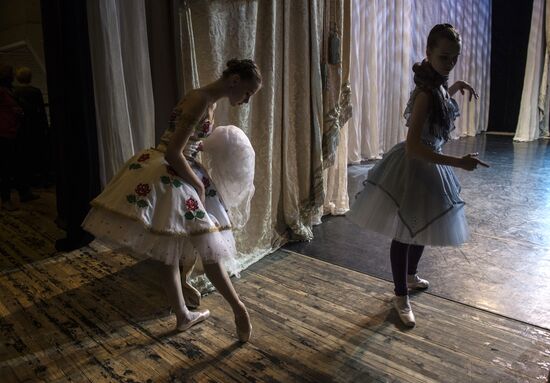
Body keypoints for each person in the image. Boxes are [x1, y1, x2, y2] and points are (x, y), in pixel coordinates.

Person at [82, 59, 262, 341]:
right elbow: (173, 153)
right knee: (208, 245)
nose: (246, 100)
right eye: (248, 92)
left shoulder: (204, 99)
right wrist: (198, 186)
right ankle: (239, 310)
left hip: (177, 168)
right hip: (172, 171)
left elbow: (184, 140)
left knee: (171, 247)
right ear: (235, 80)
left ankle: (182, 314)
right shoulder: (201, 100)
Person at [347, 24, 489, 327]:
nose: (449, 64)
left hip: (430, 164)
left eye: (454, 58)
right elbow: (414, 147)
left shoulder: (436, 84)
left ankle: (410, 277)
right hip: (416, 164)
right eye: (444, 58)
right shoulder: (426, 92)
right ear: (428, 53)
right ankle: (400, 295)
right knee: (405, 233)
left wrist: (453, 87)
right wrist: (458, 162)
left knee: (423, 225)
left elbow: (438, 109)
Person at [0, 63, 38, 211]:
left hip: (13, 131)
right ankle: (6, 199)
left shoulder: (10, 90)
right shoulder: (3, 91)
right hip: (4, 133)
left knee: (17, 164)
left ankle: (24, 192)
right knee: (6, 167)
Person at [14, 66, 51, 188]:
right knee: (38, 153)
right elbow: (41, 111)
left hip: (22, 128)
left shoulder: (15, 92)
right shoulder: (35, 92)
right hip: (36, 127)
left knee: (25, 154)